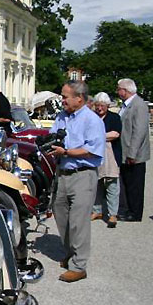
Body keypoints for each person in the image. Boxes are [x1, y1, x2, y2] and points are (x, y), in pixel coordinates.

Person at [48, 81, 105, 283]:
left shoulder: (92, 120)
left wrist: (67, 152)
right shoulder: (62, 116)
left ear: (78, 98)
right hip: (62, 173)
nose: (62, 100)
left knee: (79, 221)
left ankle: (79, 266)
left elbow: (93, 149)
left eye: (65, 96)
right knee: (61, 214)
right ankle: (71, 253)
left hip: (83, 174)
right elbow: (53, 135)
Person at [116, 78, 150, 222]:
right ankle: (127, 209)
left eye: (118, 89)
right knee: (127, 183)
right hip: (125, 152)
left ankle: (135, 213)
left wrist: (132, 153)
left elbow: (139, 131)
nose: (117, 91)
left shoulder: (139, 105)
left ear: (125, 90)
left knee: (135, 185)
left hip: (134, 154)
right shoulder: (126, 105)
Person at [91, 92, 122, 228]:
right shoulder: (92, 117)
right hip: (94, 154)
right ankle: (97, 210)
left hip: (111, 154)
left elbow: (115, 134)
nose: (99, 108)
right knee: (95, 183)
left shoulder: (114, 117)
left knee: (112, 184)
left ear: (107, 106)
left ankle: (113, 213)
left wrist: (97, 136)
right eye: (97, 105)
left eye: (102, 105)